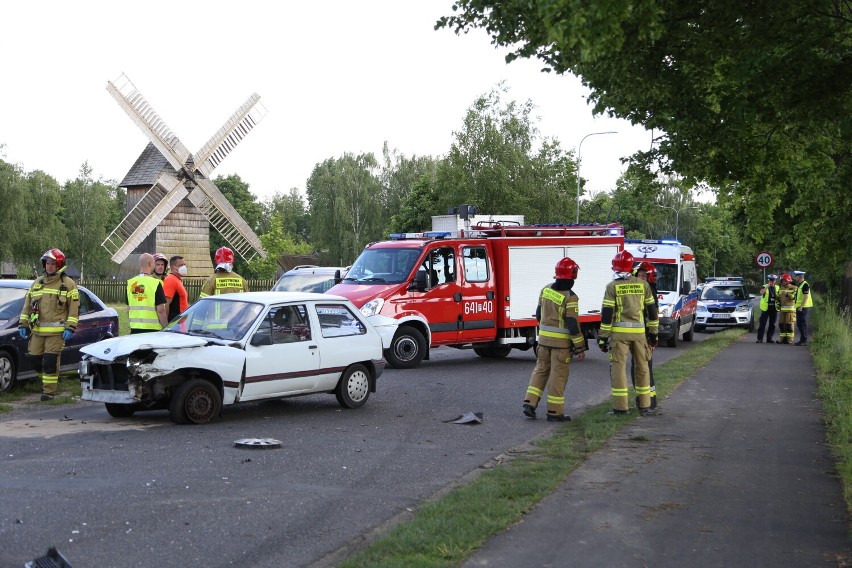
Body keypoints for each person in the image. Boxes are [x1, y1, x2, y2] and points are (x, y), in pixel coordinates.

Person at [523, 257, 587, 422]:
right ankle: (554, 412)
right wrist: (580, 347)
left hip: (543, 341)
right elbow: (572, 324)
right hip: (561, 346)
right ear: (573, 275)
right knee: (558, 376)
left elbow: (538, 314)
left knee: (540, 370)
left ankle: (529, 403)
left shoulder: (545, 289)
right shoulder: (571, 297)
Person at [598, 251, 659, 416]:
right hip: (640, 335)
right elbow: (652, 312)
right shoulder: (643, 285)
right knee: (642, 368)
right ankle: (645, 405)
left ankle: (620, 407)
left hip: (619, 336)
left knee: (618, 369)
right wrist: (653, 334)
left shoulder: (612, 286)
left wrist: (603, 338)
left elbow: (607, 315)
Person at [18, 249, 80, 400]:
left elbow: (73, 309)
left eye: (52, 263)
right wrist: (23, 324)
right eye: (47, 263)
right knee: (34, 358)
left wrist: (70, 328)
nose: (49, 266)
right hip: (37, 331)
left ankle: (49, 392)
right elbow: (27, 306)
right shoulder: (37, 283)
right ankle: (50, 379)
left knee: (50, 361)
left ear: (59, 265)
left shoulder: (68, 284)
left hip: (57, 332)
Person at [631, 261, 659, 409]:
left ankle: (649, 402)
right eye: (639, 275)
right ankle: (647, 400)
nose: (640, 278)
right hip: (641, 336)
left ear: (650, 278)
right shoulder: (642, 291)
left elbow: (651, 317)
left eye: (643, 276)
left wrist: (651, 338)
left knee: (643, 368)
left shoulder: (650, 292)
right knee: (640, 368)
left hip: (645, 337)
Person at [126, 253, 168, 333]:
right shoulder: (156, 283)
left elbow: (128, 309)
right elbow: (161, 310)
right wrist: (166, 328)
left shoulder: (130, 283)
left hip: (135, 328)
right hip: (152, 329)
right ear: (150, 264)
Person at [163, 255, 189, 322]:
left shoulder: (177, 280)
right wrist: (166, 325)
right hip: (175, 322)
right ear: (173, 267)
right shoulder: (171, 280)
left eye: (184, 264)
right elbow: (166, 303)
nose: (183, 267)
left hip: (181, 321)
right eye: (180, 265)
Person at [756, 274, 780, 343]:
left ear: (775, 281)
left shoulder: (778, 287)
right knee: (762, 324)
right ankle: (759, 339)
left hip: (774, 308)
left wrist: (777, 296)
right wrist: (767, 287)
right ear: (768, 280)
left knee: (772, 324)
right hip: (766, 308)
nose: (772, 282)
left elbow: (779, 297)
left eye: (773, 280)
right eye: (770, 280)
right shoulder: (764, 286)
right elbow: (761, 292)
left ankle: (769, 339)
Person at [792, 270, 812, 346]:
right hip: (800, 307)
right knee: (800, 324)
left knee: (802, 324)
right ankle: (802, 340)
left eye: (796, 276)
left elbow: (806, 296)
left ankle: (803, 340)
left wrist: (801, 306)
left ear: (800, 277)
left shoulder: (805, 285)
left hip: (803, 307)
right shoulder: (801, 285)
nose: (795, 277)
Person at [777, 273, 797, 344]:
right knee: (781, 325)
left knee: (789, 325)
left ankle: (790, 340)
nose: (782, 282)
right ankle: (783, 339)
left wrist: (788, 294)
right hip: (782, 311)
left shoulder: (794, 288)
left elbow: (794, 297)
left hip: (790, 311)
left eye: (783, 281)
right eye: (782, 281)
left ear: (787, 280)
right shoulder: (781, 288)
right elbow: (779, 298)